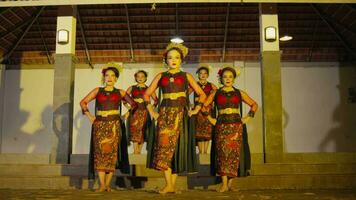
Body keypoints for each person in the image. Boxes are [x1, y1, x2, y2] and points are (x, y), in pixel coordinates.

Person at [143, 43, 206, 194]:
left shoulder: (186, 76)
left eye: (177, 58)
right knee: (164, 148)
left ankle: (172, 185)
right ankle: (168, 184)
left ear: (181, 60)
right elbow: (146, 94)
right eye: (170, 57)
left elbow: (202, 94)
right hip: (165, 114)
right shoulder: (161, 76)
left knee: (177, 149)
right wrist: (152, 111)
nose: (173, 60)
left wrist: (196, 109)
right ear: (166, 60)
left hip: (181, 114)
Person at [80, 63, 137, 192]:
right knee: (100, 154)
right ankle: (102, 185)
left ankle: (107, 184)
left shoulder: (121, 92)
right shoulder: (97, 91)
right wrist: (89, 116)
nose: (110, 78)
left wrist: (126, 115)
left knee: (112, 155)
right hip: (99, 125)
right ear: (104, 78)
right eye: (107, 75)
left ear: (116, 78)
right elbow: (83, 102)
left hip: (114, 125)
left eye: (112, 76)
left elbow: (134, 105)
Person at [205, 66, 258, 192]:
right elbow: (204, 106)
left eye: (230, 76)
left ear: (234, 78)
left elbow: (254, 105)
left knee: (234, 155)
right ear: (221, 78)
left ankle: (230, 184)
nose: (227, 79)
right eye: (225, 77)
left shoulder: (239, 93)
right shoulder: (215, 93)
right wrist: (210, 119)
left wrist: (248, 118)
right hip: (221, 124)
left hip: (236, 125)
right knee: (223, 154)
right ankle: (223, 184)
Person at [126, 70, 158, 154]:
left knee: (144, 131)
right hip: (134, 113)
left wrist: (150, 108)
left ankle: (139, 151)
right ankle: (135, 151)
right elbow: (124, 98)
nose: (140, 78)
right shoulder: (132, 88)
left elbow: (156, 101)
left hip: (145, 113)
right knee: (134, 131)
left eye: (142, 76)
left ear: (145, 78)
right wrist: (129, 107)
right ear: (136, 78)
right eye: (138, 76)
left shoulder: (149, 88)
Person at [189, 64, 217, 154]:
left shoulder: (211, 85)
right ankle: (201, 152)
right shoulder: (195, 85)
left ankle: (205, 152)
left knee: (208, 132)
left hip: (208, 111)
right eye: (201, 73)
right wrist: (190, 104)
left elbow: (218, 95)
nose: (203, 75)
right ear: (198, 75)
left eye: (205, 73)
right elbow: (185, 94)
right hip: (198, 111)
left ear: (208, 75)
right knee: (199, 132)